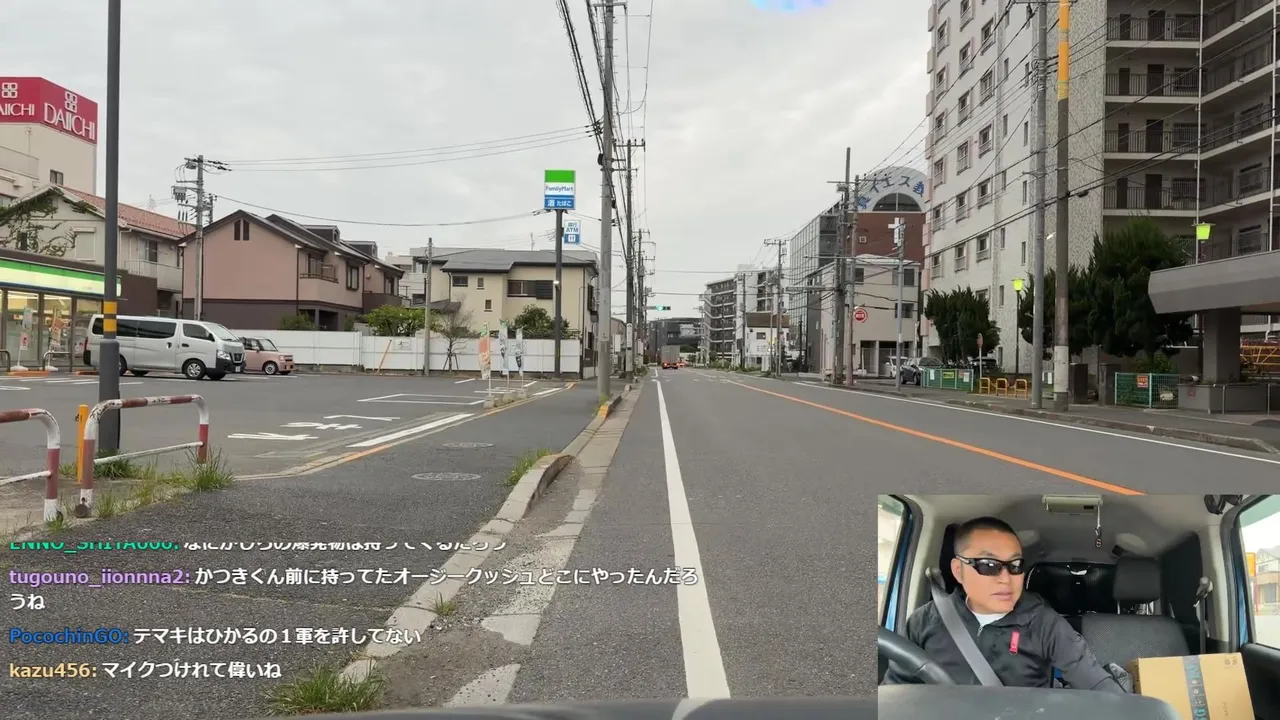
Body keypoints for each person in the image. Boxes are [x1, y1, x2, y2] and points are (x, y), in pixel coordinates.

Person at [881, 516, 1124, 692]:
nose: (1006, 579)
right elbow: (897, 690)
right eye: (988, 565)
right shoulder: (925, 620)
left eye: (1015, 566)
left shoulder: (1043, 622)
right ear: (958, 570)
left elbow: (1096, 683)